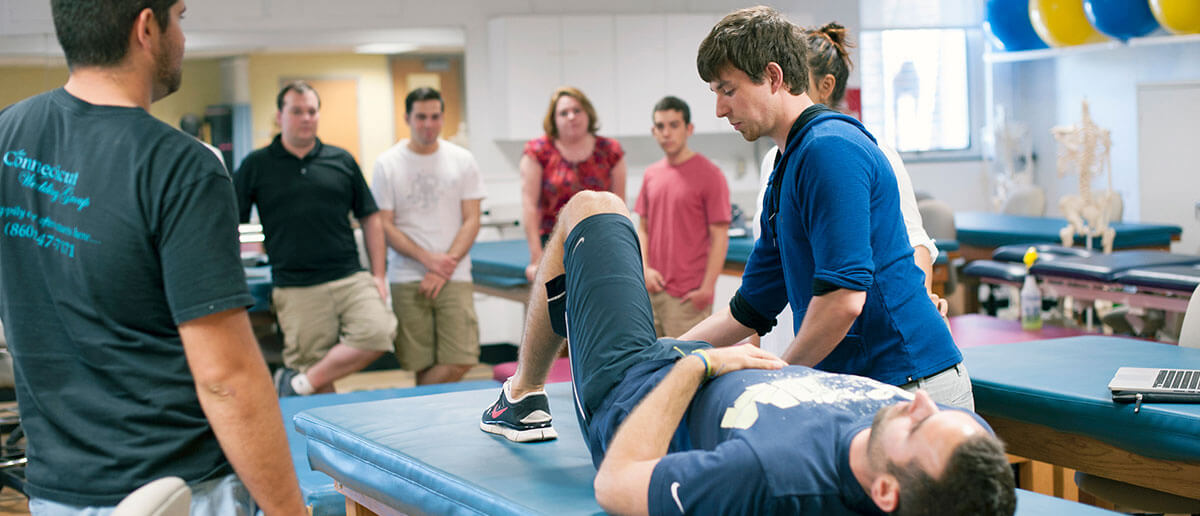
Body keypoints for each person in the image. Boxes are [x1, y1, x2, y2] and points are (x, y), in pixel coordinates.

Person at [479, 191, 1015, 515]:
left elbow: (614, 484)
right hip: (702, 364)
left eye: (919, 428)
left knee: (594, 209)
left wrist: (699, 366)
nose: (920, 405)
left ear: (884, 492)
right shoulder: (968, 453)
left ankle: (522, 395)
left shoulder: (772, 476)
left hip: (632, 387)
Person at [0, 0, 304, 512]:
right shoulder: (181, 166)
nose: (182, 37)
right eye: (180, 18)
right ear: (146, 28)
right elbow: (225, 378)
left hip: (57, 491)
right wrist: (290, 509)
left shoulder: (8, 134)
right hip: (178, 490)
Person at [681, 6, 973, 410]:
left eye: (727, 91)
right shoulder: (789, 161)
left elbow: (843, 301)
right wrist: (665, 356)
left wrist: (781, 380)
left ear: (772, 77)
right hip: (863, 384)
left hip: (910, 385)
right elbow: (750, 306)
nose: (719, 109)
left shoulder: (829, 150)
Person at [752, 22, 945, 356]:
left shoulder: (865, 150)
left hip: (848, 342)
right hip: (789, 328)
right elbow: (771, 265)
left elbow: (915, 243)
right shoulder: (776, 159)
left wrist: (916, 305)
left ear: (825, 87)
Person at [234, 81, 396, 397]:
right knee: (312, 367)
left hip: (349, 276)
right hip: (296, 287)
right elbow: (229, 222)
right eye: (297, 111)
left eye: (311, 111)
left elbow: (370, 217)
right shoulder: (257, 165)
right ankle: (315, 435)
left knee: (379, 332)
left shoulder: (341, 160)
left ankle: (296, 383)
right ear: (280, 116)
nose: (306, 118)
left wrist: (378, 274)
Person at [371, 87, 485, 385]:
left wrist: (445, 266)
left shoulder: (463, 160)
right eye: (421, 117)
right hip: (408, 275)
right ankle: (430, 426)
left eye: (435, 117)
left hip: (455, 275)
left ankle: (416, 410)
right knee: (419, 363)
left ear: (442, 117)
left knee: (461, 358)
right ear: (407, 117)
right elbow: (385, 224)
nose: (428, 124)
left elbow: (472, 219)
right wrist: (429, 261)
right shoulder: (387, 164)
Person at [634, 96, 731, 338]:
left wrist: (707, 289)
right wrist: (644, 269)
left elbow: (719, 236)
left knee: (686, 367)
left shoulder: (710, 174)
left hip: (688, 298)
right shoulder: (651, 175)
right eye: (660, 126)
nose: (666, 132)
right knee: (650, 368)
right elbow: (642, 228)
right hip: (651, 291)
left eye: (674, 125)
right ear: (653, 131)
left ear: (689, 129)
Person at [521, 86, 627, 282]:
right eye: (563, 113)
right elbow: (529, 206)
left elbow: (618, 206)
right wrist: (536, 258)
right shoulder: (538, 152)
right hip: (554, 246)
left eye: (577, 110)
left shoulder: (610, 151)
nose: (571, 117)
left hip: (600, 247)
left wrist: (620, 252)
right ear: (554, 119)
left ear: (588, 113)